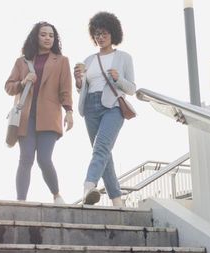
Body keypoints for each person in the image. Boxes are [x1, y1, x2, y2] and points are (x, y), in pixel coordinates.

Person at [5, 21, 73, 204]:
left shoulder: (62, 61)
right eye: (43, 34)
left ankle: (56, 195)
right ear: (36, 36)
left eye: (51, 35)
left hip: (50, 117)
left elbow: (65, 90)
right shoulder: (22, 61)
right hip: (25, 117)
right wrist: (23, 81)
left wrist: (69, 111)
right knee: (25, 158)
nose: (48, 38)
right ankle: (21, 202)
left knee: (44, 159)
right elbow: (8, 87)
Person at [74, 11, 136, 206]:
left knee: (100, 148)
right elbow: (84, 88)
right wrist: (78, 81)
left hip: (112, 107)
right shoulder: (89, 60)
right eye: (97, 34)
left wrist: (119, 78)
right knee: (104, 152)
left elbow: (132, 89)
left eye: (104, 33)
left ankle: (88, 186)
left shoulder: (124, 57)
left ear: (113, 34)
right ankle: (117, 200)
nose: (100, 37)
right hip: (90, 107)